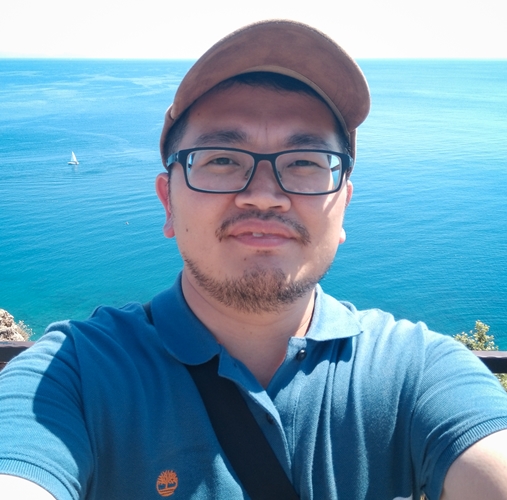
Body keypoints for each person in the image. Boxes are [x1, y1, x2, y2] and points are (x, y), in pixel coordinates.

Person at [1, 20, 507, 500]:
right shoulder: (73, 375)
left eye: (305, 162)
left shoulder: (415, 371)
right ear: (168, 203)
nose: (264, 195)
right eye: (222, 159)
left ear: (344, 206)